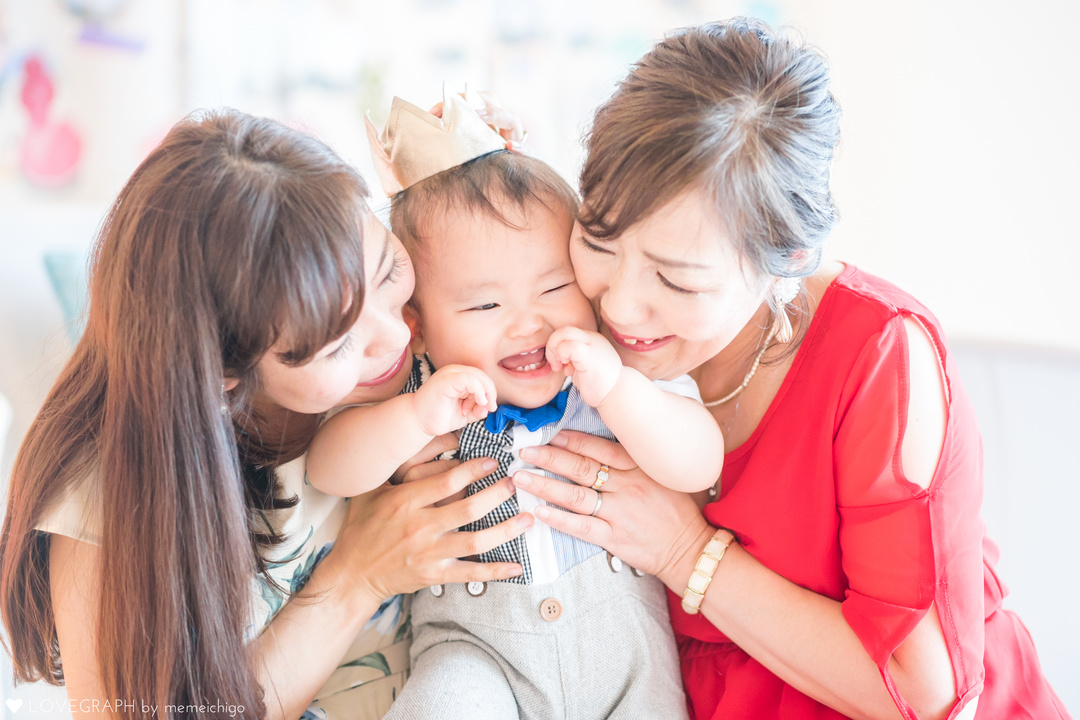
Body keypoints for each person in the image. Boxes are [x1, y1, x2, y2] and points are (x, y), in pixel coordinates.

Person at [514, 18, 1071, 720]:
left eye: (678, 282)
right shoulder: (576, 308)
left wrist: (686, 552)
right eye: (599, 238)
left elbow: (921, 692)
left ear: (787, 262)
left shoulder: (878, 356)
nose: (621, 304)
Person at [0, 110, 533, 720]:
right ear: (224, 371)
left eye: (388, 271)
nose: (396, 333)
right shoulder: (109, 501)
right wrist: (358, 578)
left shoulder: (430, 352)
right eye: (336, 345)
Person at [306, 90, 722, 718]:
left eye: (555, 287)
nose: (528, 323)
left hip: (628, 657)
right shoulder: (422, 389)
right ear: (419, 323)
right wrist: (413, 419)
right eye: (483, 306)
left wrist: (616, 390)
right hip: (475, 652)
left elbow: (700, 462)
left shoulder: (609, 372)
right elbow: (328, 469)